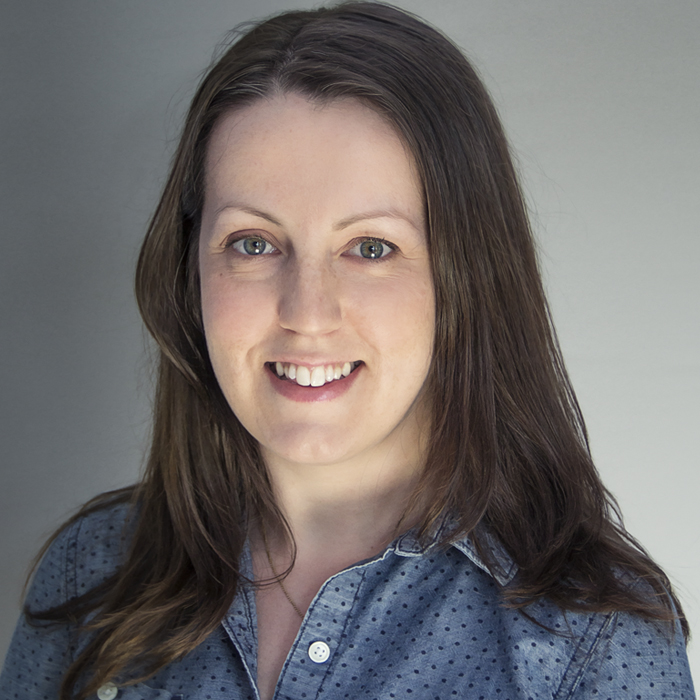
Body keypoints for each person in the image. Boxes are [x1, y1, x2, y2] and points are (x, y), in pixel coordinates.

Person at [0, 3, 695, 699]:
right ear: (190, 270)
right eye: (253, 243)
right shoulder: (89, 577)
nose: (307, 313)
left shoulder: (595, 642)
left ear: (468, 278)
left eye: (370, 248)